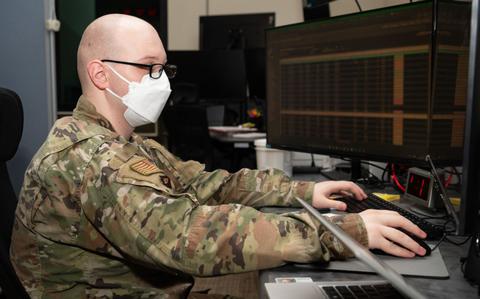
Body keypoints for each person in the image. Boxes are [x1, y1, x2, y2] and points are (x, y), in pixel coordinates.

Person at [10, 14, 427, 299]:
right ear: (102, 73)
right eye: (147, 67)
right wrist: (342, 233)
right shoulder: (91, 158)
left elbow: (210, 185)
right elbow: (190, 237)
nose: (161, 81)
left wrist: (305, 192)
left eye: (163, 69)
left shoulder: (127, 143)